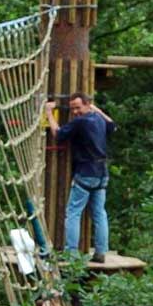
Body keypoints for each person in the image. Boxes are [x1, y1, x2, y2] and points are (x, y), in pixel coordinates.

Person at [54, 92, 117, 264]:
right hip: (101, 173)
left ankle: (71, 253)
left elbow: (58, 135)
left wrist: (48, 113)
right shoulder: (98, 119)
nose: (75, 112)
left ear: (87, 104)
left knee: (73, 212)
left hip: (85, 172)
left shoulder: (80, 122)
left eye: (78, 107)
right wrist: (97, 110)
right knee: (99, 213)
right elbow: (113, 125)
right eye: (72, 108)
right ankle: (101, 252)